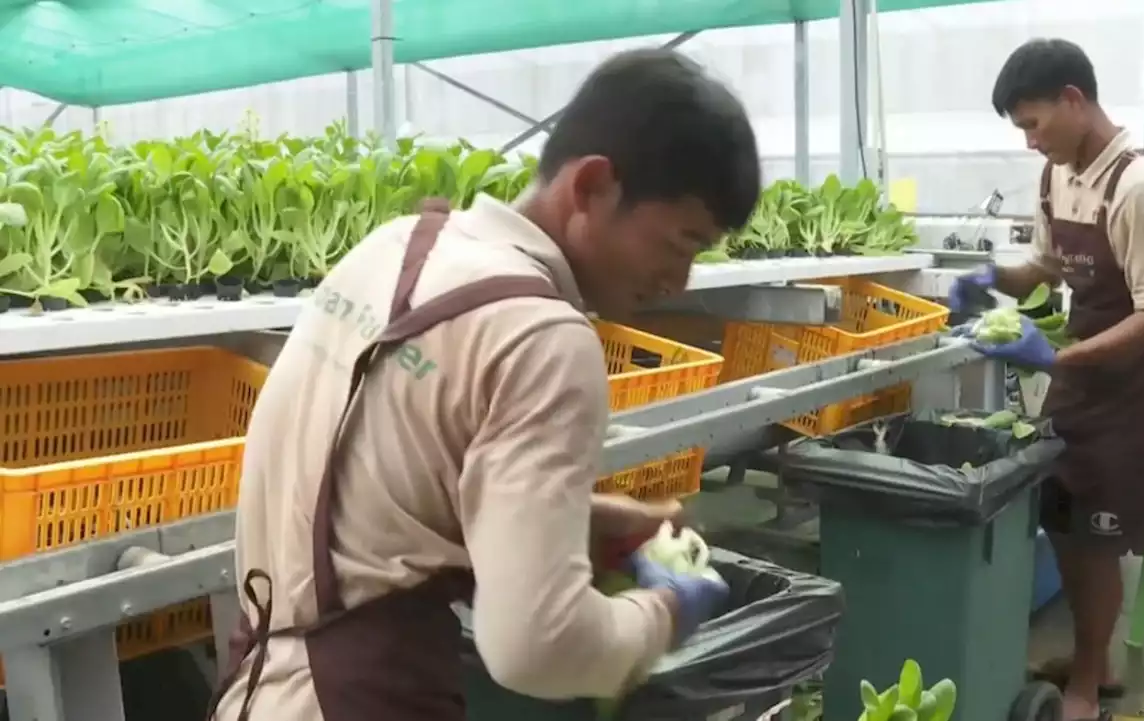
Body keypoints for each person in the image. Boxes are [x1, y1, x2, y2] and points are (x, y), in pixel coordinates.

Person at [210, 47, 760, 721]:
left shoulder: (395, 248)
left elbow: (377, 493)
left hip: (259, 688)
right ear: (591, 186)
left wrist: (585, 521)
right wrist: (669, 608)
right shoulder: (544, 339)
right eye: (682, 244)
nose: (679, 282)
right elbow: (537, 645)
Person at [950, 38, 1144, 721]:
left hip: (1131, 389)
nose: (1029, 142)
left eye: (1034, 123)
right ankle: (1097, 658)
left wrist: (1056, 359)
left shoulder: (1141, 188)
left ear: (1074, 101)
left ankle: (1087, 683)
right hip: (1081, 373)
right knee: (1065, 520)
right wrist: (995, 278)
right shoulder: (1059, 175)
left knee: (1098, 535)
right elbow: (1047, 268)